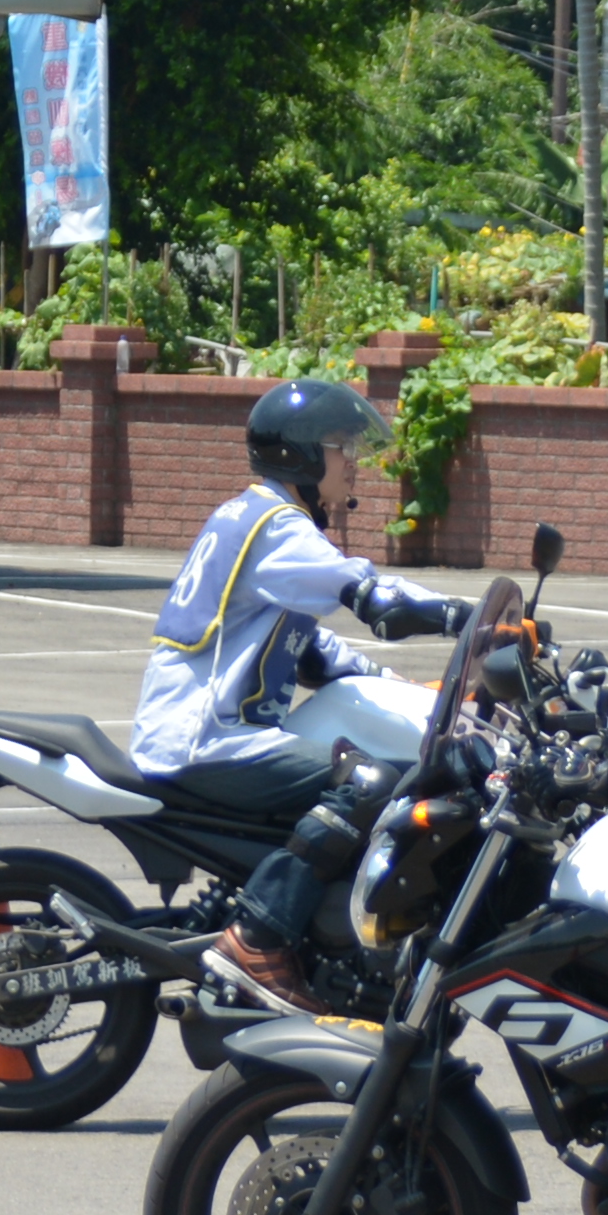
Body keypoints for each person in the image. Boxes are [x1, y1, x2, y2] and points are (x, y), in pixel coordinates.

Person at [151, 380, 462, 1008]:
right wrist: (471, 618)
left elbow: (315, 653)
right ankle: (259, 933)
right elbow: (371, 594)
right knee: (374, 784)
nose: (353, 462)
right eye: (341, 447)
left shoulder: (251, 517)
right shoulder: (277, 527)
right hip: (210, 739)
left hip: (204, 728)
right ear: (301, 456)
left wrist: (401, 687)